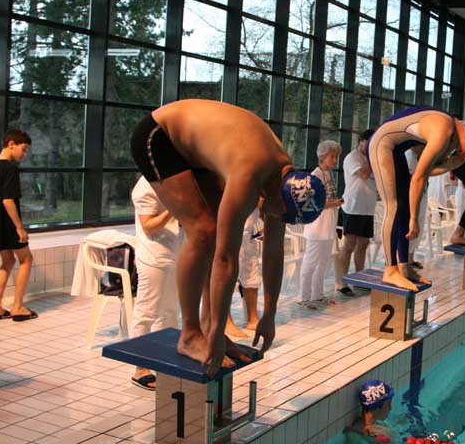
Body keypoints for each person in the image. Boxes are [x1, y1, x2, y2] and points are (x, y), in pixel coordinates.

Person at [129, 99, 325, 376]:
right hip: (160, 135)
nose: (274, 219)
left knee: (209, 230)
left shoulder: (285, 183)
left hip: (198, 148)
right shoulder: (249, 174)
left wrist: (269, 316)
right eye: (278, 214)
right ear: (277, 196)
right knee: (203, 231)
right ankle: (190, 334)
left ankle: (209, 328)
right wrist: (220, 330)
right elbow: (225, 258)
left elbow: (273, 252)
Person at [367, 106, 465, 291]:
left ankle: (404, 267)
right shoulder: (443, 131)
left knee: (403, 207)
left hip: (396, 151)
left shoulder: (452, 138)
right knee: (393, 207)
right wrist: (414, 218)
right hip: (381, 145)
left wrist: (450, 165)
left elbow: (426, 171)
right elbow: (418, 178)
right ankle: (390, 270)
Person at [130, 176, 181, 389]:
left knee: (169, 312)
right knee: (147, 312)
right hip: (153, 258)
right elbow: (149, 226)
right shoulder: (145, 187)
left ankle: (165, 360)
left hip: (174, 253)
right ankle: (140, 368)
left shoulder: (172, 182)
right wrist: (173, 209)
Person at [299, 141, 343, 309]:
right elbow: (312, 203)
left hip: (328, 226)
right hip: (317, 227)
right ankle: (304, 297)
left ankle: (317, 294)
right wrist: (334, 203)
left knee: (323, 263)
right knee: (310, 262)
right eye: (332, 157)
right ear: (322, 156)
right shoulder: (315, 176)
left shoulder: (328, 174)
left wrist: (335, 203)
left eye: (336, 157)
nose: (335, 160)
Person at [0, 129, 36, 322]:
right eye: (24, 148)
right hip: (7, 222)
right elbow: (7, 200)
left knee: (8, 261)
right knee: (26, 259)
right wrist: (19, 227)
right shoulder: (10, 168)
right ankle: (18, 307)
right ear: (11, 144)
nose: (25, 153)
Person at [336, 130, 377, 297]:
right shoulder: (352, 157)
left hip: (368, 208)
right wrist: (372, 157)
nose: (370, 146)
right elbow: (365, 174)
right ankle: (341, 282)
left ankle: (359, 279)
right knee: (349, 245)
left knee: (363, 244)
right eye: (369, 142)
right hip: (353, 207)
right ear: (361, 141)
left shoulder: (372, 159)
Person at [225, 206, 262, 338]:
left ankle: (253, 318)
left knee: (252, 275)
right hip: (229, 234)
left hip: (248, 235)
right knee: (228, 277)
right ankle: (226, 320)